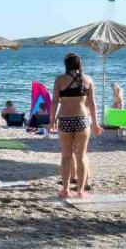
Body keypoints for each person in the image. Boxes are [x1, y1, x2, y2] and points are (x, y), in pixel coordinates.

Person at [49, 52, 101, 198]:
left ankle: (65, 189)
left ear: (66, 65)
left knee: (66, 155)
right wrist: (96, 124)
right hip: (82, 119)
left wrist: (51, 121)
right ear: (79, 64)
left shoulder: (60, 80)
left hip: (65, 119)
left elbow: (54, 102)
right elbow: (92, 104)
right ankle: (80, 191)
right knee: (81, 155)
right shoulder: (87, 79)